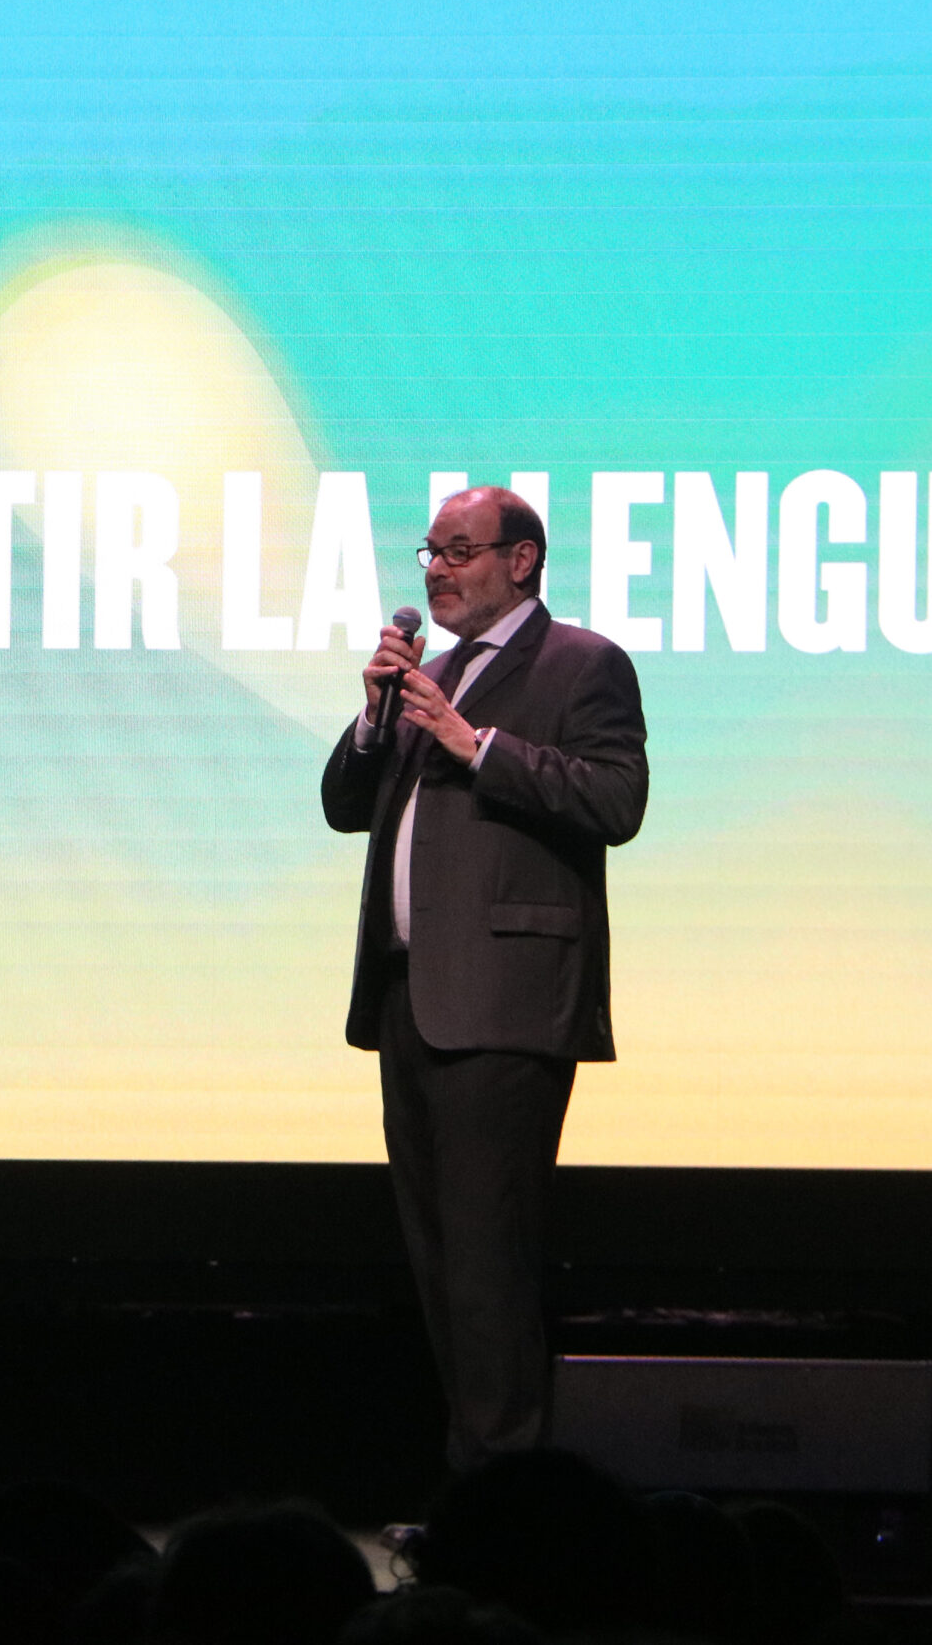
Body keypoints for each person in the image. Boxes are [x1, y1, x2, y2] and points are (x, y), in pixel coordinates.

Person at [321, 486, 648, 1471]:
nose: (437, 569)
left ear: (521, 559)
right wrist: (375, 715)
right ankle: (476, 1486)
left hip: (506, 1002)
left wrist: (478, 746)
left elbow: (616, 800)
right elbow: (345, 805)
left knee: (487, 1260)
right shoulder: (428, 675)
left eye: (459, 550)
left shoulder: (581, 662)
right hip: (411, 996)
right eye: (430, 552)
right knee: (436, 1256)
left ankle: (505, 1499)